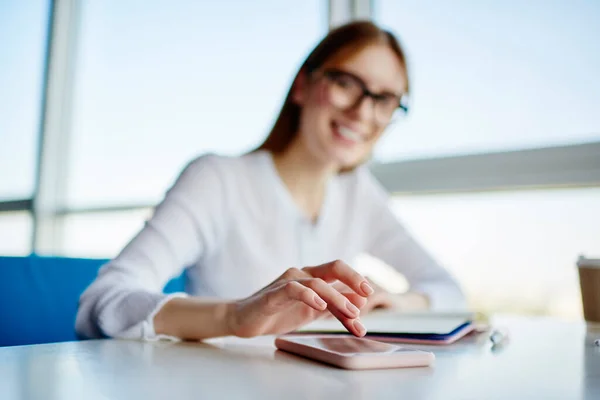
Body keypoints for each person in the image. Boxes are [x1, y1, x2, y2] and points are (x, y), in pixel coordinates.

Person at [75, 20, 466, 342]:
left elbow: (450, 291)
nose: (363, 111)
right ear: (303, 86)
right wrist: (233, 315)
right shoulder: (218, 180)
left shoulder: (361, 195)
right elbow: (102, 304)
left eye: (384, 100)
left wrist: (393, 301)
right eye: (347, 83)